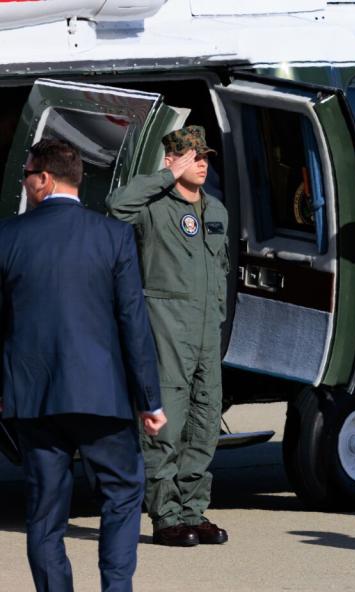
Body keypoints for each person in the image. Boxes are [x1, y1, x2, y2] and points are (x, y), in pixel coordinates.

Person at [1, 139, 166, 592]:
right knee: (121, 495)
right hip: (102, 395)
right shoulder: (112, 237)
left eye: (27, 174)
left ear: (45, 178)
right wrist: (150, 401)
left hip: (34, 401)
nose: (24, 183)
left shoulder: (7, 236)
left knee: (45, 517)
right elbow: (133, 323)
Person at [106, 126, 230, 547]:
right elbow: (116, 205)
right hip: (167, 329)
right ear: (171, 159)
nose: (200, 162)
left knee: (204, 422)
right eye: (190, 155)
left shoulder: (216, 211)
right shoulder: (153, 207)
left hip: (206, 335)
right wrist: (163, 177)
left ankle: (194, 510)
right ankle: (167, 516)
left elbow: (222, 273)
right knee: (167, 424)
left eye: (204, 155)